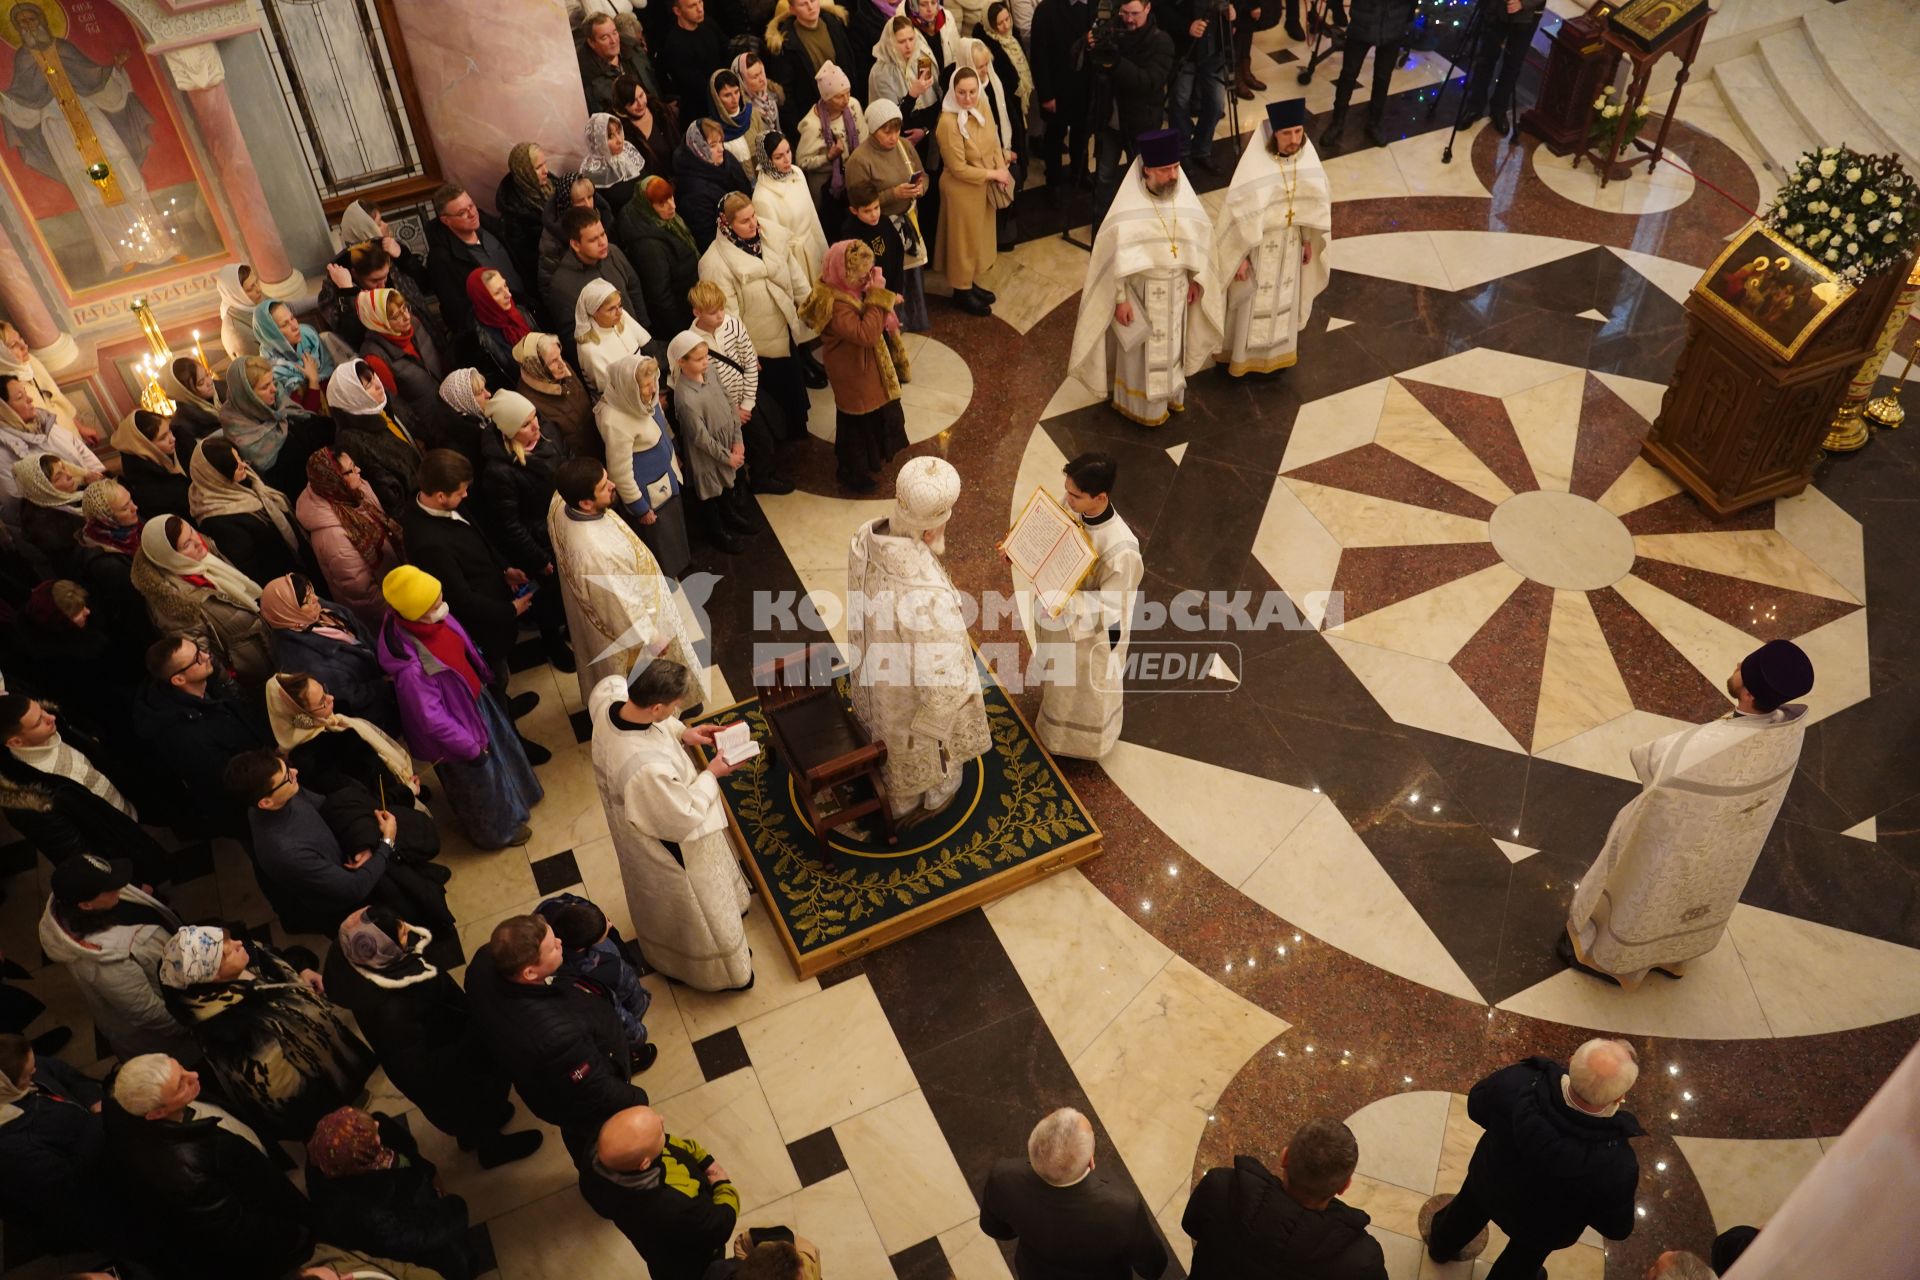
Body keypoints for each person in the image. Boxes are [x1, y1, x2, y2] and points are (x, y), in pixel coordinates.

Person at [1565, 640, 1816, 987]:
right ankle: (1670, 956)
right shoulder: (1786, 732)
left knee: (1650, 891)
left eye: (1744, 666)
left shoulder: (1705, 751)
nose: (1737, 660)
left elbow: (1652, 762)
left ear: (1747, 692)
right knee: (1693, 895)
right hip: (1731, 846)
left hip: (1680, 845)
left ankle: (1610, 961)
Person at [323, 906, 543, 1167]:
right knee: (474, 1106)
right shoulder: (389, 1011)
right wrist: (477, 1033)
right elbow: (420, 1071)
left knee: (481, 1106)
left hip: (450, 1041)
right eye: (401, 932)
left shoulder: (363, 960)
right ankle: (491, 1148)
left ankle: (477, 1131)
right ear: (381, 948)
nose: (408, 931)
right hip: (452, 1074)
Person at [590, 659, 756, 990]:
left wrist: (684, 733)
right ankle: (725, 971)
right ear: (655, 707)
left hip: (658, 804)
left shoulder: (614, 698)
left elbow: (653, 728)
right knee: (699, 900)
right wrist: (713, 773)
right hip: (670, 846)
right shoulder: (644, 770)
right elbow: (682, 816)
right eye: (674, 706)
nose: (677, 708)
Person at [1422, 1040, 1643, 1279]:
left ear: (1570, 1061)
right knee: (1521, 1263)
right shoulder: (1618, 1165)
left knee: (1465, 1212)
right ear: (1620, 1097)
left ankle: (1441, 1245)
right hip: (1543, 1228)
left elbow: (1477, 1106)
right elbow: (1616, 1228)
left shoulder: (1519, 1082)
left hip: (1489, 1182)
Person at [847, 456, 992, 820]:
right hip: (906, 696)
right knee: (923, 746)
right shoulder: (923, 590)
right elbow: (941, 677)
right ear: (931, 530)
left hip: (873, 672)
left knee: (884, 731)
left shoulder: (865, 537)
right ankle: (926, 795)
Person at [377, 565, 546, 848]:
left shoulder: (428, 620)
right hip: (457, 733)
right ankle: (497, 832)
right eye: (435, 603)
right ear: (417, 611)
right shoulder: (411, 669)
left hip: (474, 704)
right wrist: (469, 747)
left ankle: (518, 798)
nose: (443, 605)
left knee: (501, 759)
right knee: (478, 786)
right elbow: (433, 720)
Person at [104, 1052, 313, 1279]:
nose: (193, 1075)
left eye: (181, 1067)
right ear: (157, 1113)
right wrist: (299, 1235)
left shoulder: (126, 1102)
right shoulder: (188, 1174)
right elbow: (239, 1230)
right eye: (180, 1085)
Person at [159, 925, 377, 1141]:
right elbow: (288, 1093)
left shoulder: (244, 958)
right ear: (212, 976)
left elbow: (273, 958)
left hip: (329, 1050)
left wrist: (301, 969)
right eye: (226, 952)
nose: (238, 943)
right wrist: (339, 1111)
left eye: (228, 939)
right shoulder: (232, 1034)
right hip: (326, 1083)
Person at [1069, 129, 1224, 426]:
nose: (1173, 176)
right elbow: (1112, 259)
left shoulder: (1184, 199)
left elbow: (1199, 242)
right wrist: (1120, 299)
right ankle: (1138, 406)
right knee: (1140, 353)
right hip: (1141, 294)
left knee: (1173, 348)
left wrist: (1194, 277)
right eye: (1165, 170)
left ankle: (1171, 396)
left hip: (1177, 290)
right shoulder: (1126, 210)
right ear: (1147, 171)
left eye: (1176, 168)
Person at [464, 914, 652, 1158]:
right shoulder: (557, 1039)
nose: (561, 943)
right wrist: (636, 1098)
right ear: (529, 973)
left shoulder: (484, 961)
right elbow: (596, 1091)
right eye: (553, 946)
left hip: (563, 1061)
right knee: (589, 1136)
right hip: (575, 1090)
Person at [550, 455, 700, 708]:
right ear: (586, 503)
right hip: (634, 626)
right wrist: (651, 637)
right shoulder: (595, 554)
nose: (612, 486)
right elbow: (619, 605)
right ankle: (674, 709)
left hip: (606, 612)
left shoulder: (558, 503)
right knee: (654, 681)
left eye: (607, 478)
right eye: (603, 487)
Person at [1026, 453, 1143, 759]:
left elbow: (1113, 606)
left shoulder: (1122, 549)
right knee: (1059, 682)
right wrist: (1021, 553)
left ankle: (1085, 744)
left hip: (1094, 635)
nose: (1067, 499)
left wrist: (1063, 598)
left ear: (1100, 497)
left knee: (1084, 691)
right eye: (1067, 490)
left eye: (1075, 495)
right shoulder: (1077, 509)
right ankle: (1053, 728)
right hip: (1061, 619)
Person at [36, 855, 198, 1061]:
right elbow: (149, 1013)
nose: (121, 886)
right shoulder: (105, 963)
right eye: (110, 886)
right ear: (86, 905)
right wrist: (195, 1024)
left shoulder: (99, 898)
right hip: (175, 1032)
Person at [1183, 1118, 1386, 1280]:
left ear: (1284, 1157)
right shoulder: (1362, 1260)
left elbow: (1191, 1225)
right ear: (1344, 1187)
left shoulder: (1222, 1187)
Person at [979, 1107, 1169, 1280]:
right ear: (1091, 1162)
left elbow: (994, 1229)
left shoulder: (1003, 1176)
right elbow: (1152, 1266)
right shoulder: (1121, 1207)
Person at [1214, 98, 1331, 377]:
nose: (1294, 140)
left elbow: (1311, 204)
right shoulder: (1254, 168)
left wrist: (1305, 239)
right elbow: (1236, 216)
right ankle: (1241, 357)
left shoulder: (1306, 160)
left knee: (1284, 300)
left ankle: (1278, 354)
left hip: (1289, 246)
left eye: (1298, 132)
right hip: (1259, 248)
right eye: (1286, 133)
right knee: (1251, 305)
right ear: (1272, 134)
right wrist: (1239, 257)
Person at [0, 694, 172, 884]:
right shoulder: (31, 803)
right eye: (39, 721)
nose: (51, 717)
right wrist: (129, 883)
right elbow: (79, 855)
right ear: (16, 742)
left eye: (42, 711)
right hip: (116, 845)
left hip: (124, 813)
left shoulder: (60, 727)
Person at [399, 450, 530, 684]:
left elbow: (478, 535)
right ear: (441, 496)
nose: (466, 495)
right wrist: (510, 610)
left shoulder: (446, 504)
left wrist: (503, 569)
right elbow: (461, 599)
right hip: (483, 622)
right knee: (495, 674)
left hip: (493, 594)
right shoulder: (428, 543)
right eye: (461, 492)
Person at [130, 634, 275, 838]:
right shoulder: (184, 735)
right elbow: (226, 783)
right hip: (251, 805)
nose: (207, 655)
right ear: (179, 679)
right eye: (197, 658)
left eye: (199, 650)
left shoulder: (206, 685)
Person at [305, 1106, 473, 1280]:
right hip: (423, 1246)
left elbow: (410, 1157)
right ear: (361, 1159)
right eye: (372, 1139)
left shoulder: (329, 1155)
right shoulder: (365, 1211)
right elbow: (411, 1237)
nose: (377, 1124)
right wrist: (454, 1208)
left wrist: (428, 1171)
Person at [700, 192, 814, 443]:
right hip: (758, 349)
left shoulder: (770, 236)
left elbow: (795, 276)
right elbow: (726, 317)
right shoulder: (715, 264)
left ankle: (797, 434)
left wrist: (811, 307)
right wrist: (746, 353)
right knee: (773, 405)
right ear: (726, 224)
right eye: (744, 221)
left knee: (793, 391)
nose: (754, 224)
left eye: (753, 216)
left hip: (784, 331)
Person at [581, 1104, 742, 1280]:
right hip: (692, 1265)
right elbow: (720, 1224)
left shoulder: (596, 1162)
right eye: (658, 1132)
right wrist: (722, 1183)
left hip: (659, 1260)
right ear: (644, 1164)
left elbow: (669, 1143)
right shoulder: (673, 1206)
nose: (662, 1118)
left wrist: (703, 1158)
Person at [802, 239, 910, 493]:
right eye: (861, 277)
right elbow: (867, 334)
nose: (866, 280)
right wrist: (879, 296)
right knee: (855, 424)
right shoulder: (836, 305)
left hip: (864, 368)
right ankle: (852, 471)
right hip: (853, 372)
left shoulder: (847, 290)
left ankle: (869, 460)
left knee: (868, 417)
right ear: (843, 274)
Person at [129, 516, 275, 684]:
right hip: (253, 679)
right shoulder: (175, 603)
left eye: (192, 531)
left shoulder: (205, 556)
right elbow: (204, 663)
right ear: (170, 556)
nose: (198, 541)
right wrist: (236, 692)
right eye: (186, 545)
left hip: (268, 651)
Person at [0, 1032, 107, 1252]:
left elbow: (61, 1071)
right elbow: (71, 1180)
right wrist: (97, 1122)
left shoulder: (18, 1065)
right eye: (28, 1076)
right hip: (89, 1204)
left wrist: (94, 1100)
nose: (36, 1072)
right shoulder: (13, 1149)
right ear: (6, 1087)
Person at [688, 279, 797, 494]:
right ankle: (739, 491)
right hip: (721, 412)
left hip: (745, 400)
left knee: (763, 441)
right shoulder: (691, 341)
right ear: (696, 312)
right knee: (730, 452)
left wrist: (746, 404)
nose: (720, 316)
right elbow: (703, 387)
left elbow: (749, 362)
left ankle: (762, 478)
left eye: (721, 308)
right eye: (712, 312)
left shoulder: (733, 324)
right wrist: (731, 413)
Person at [596, 353, 697, 576]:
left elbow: (661, 424)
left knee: (675, 528)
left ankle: (682, 563)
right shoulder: (614, 419)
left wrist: (675, 452)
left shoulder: (643, 399)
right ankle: (671, 574)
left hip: (665, 478)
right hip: (649, 494)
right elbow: (620, 472)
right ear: (629, 386)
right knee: (660, 538)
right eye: (646, 385)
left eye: (654, 382)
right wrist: (639, 507)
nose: (653, 390)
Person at [261, 573, 402, 732]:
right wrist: (386, 685)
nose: (315, 598)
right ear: (288, 612)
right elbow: (349, 698)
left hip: (387, 686)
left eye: (311, 591)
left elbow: (361, 633)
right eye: (306, 601)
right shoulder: (302, 660)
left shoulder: (317, 611)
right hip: (376, 713)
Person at [263, 669, 420, 800]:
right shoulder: (311, 761)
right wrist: (405, 793)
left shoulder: (333, 721)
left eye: (325, 691)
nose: (331, 698)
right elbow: (364, 799)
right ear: (303, 717)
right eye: (322, 701)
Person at [1087, 0, 1174, 232]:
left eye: (1135, 13)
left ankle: (1142, 226)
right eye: (1124, 12)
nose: (1128, 19)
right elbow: (1081, 61)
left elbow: (1148, 82)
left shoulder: (1161, 41)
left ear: (1148, 8)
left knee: (1141, 178)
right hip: (1110, 121)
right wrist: (1086, 44)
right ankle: (1102, 226)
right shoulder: (1111, 30)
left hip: (1142, 125)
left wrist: (1116, 62)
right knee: (1104, 178)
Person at [669, 329, 758, 555]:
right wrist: (727, 456)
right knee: (711, 493)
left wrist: (737, 440)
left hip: (728, 441)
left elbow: (729, 403)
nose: (705, 362)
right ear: (681, 361)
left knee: (727, 487)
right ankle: (716, 532)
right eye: (699, 359)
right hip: (707, 454)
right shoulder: (685, 397)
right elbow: (701, 437)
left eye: (706, 356)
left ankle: (730, 516)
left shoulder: (711, 373)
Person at [847, 99, 933, 330]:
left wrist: (919, 188)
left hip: (908, 220)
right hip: (881, 229)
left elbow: (922, 174)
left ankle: (914, 319)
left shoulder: (904, 145)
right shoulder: (859, 160)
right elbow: (860, 202)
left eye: (896, 130)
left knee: (913, 275)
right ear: (873, 130)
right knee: (891, 278)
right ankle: (891, 326)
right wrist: (893, 193)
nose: (893, 137)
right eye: (887, 132)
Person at [933, 66, 1012, 317]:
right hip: (961, 191)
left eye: (972, 91)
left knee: (977, 239)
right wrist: (993, 174)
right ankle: (961, 292)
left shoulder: (982, 106)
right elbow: (957, 168)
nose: (967, 98)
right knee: (962, 244)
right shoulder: (947, 122)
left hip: (983, 186)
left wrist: (1001, 168)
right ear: (952, 92)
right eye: (961, 93)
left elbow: (993, 139)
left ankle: (969, 283)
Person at [297, 448, 405, 627]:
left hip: (398, 586)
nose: (358, 471)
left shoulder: (354, 491)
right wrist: (402, 615)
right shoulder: (334, 538)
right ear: (334, 479)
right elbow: (365, 597)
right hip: (389, 614)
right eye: (351, 470)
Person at [537, 892, 655, 1053]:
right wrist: (639, 1035)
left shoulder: (547, 910)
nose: (610, 923)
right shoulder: (610, 968)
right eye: (604, 932)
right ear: (583, 947)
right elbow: (622, 1013)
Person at [187, 437, 305, 587]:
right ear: (217, 475)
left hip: (297, 560)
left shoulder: (246, 478)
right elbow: (252, 568)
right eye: (235, 465)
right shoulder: (218, 520)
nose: (243, 465)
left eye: (240, 459)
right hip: (285, 580)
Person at [0, 371, 102, 537]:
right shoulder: (3, 452)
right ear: (3, 410)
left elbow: (80, 448)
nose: (30, 399)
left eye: (26, 393)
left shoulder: (45, 424)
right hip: (60, 528)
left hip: (92, 498)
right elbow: (17, 503)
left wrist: (100, 479)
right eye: (20, 397)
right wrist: (82, 485)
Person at [547, 206, 652, 361]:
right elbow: (574, 337)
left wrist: (644, 329)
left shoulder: (613, 252)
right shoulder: (562, 285)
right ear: (575, 244)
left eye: (602, 234)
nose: (602, 242)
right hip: (610, 361)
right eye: (593, 240)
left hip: (637, 343)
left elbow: (633, 288)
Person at [328, 359, 425, 522]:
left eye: (373, 377)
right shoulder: (352, 442)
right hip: (420, 510)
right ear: (352, 398)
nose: (378, 385)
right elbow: (390, 499)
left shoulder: (383, 405)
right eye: (367, 386)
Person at [219, 354, 328, 498]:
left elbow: (305, 417)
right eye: (265, 387)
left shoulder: (277, 403)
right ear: (248, 395)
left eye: (273, 382)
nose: (274, 390)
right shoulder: (242, 434)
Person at [425, 184, 526, 338]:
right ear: (446, 220)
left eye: (471, 205)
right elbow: (457, 313)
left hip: (527, 310)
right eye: (462, 213)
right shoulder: (441, 259)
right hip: (502, 331)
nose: (472, 214)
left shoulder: (488, 225)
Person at [1319, 0, 1416, 153]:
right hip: (1363, 22)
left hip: (1394, 24)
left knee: (1383, 77)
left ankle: (1374, 123)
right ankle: (1337, 121)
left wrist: (1406, 20)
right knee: (1348, 74)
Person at [619, 176, 705, 339]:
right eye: (662, 203)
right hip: (684, 316)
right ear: (648, 207)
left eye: (671, 197)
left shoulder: (667, 221)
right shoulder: (649, 246)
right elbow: (661, 297)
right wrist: (684, 333)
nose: (671, 206)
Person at [359, 288, 448, 430]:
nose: (406, 316)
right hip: (431, 425)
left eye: (404, 308)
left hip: (449, 404)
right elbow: (397, 406)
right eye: (396, 316)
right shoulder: (374, 358)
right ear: (378, 322)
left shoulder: (414, 323)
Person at [754, 133, 832, 294]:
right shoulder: (762, 197)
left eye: (788, 151)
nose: (787, 159)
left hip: (813, 250)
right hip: (795, 262)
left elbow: (813, 217)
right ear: (766, 160)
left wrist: (826, 254)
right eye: (778, 156)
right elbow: (776, 248)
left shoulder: (796, 173)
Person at [1030, 0, 1094, 188]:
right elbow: (1038, 56)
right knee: (1055, 136)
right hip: (1057, 88)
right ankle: (1054, 182)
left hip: (1085, 85)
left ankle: (1080, 172)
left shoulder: (1094, 5)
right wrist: (1046, 94)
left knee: (1082, 134)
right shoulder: (1046, 10)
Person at [516, 331, 601, 465]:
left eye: (560, 356)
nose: (562, 364)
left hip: (598, 442)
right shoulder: (527, 402)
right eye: (553, 361)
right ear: (536, 367)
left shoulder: (564, 369)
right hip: (580, 463)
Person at [1463, 0, 1547, 136]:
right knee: (1485, 58)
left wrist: (1523, 3)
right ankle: (1474, 106)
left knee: (1513, 64)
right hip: (1496, 9)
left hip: (1527, 16)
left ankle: (1499, 110)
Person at [765, 0, 861, 118]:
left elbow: (850, 65)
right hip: (813, 114)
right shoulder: (784, 43)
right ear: (792, 9)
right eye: (803, 4)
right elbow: (787, 93)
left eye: (812, 0)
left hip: (846, 106)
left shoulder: (835, 23)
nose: (810, 7)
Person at [1166, 0, 1230, 176]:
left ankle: (1202, 148)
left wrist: (1231, 12)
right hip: (1183, 49)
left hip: (1213, 49)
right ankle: (1182, 150)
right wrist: (1187, 26)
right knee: (1180, 101)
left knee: (1217, 104)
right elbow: (1160, 9)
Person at [797, 62, 865, 225]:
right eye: (839, 96)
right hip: (826, 188)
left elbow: (864, 137)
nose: (846, 100)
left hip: (855, 177)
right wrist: (828, 157)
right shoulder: (813, 125)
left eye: (847, 93)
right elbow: (802, 162)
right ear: (826, 98)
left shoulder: (853, 105)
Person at [1, 319, 90, 443]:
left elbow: (56, 396)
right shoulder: (5, 390)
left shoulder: (29, 362)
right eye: (13, 345)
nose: (24, 346)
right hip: (51, 446)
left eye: (20, 338)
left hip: (71, 434)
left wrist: (80, 427)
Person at [677, 118, 756, 255]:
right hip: (728, 251)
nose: (721, 149)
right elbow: (707, 236)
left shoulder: (726, 159)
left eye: (721, 142)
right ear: (698, 147)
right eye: (713, 145)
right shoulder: (693, 191)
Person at [539, 171, 618, 296]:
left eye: (590, 197)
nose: (588, 204)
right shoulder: (552, 238)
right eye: (580, 200)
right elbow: (549, 284)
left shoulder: (602, 214)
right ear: (568, 203)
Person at [869, 13, 943, 145]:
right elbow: (890, 120)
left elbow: (935, 102)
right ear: (890, 42)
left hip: (926, 133)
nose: (909, 46)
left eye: (911, 39)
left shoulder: (922, 59)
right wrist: (912, 95)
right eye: (902, 41)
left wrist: (924, 130)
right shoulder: (881, 72)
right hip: (897, 139)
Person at [579, 10, 669, 117]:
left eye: (614, 32)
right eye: (605, 37)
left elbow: (653, 84)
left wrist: (664, 107)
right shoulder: (588, 80)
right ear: (591, 43)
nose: (613, 40)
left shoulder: (634, 49)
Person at [576, 277, 656, 395]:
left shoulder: (621, 316)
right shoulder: (590, 350)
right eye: (611, 309)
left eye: (620, 305)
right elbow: (611, 392)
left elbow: (647, 345)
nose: (619, 312)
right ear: (593, 313)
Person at [12, 453, 86, 575]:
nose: (69, 475)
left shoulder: (64, 499)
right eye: (58, 477)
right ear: (43, 488)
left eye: (64, 468)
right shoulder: (48, 525)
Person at [496, 142, 556, 292]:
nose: (546, 171)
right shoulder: (514, 214)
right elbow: (529, 261)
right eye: (538, 167)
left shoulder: (554, 185)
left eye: (545, 164)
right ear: (524, 172)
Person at [111, 407, 190, 518]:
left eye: (169, 431)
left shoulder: (181, 447)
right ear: (144, 446)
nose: (172, 438)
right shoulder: (149, 490)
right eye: (163, 438)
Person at [468, 268, 537, 385]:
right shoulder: (480, 343)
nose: (508, 294)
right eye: (497, 292)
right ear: (484, 299)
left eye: (505, 286)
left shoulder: (520, 312)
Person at [663, 0, 733, 107]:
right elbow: (695, 86)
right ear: (677, 11)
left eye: (700, 2)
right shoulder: (675, 45)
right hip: (703, 105)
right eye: (692, 6)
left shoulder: (708, 23)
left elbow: (727, 49)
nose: (700, 9)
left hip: (726, 90)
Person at [613, 73, 681, 180]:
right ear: (623, 106)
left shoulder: (661, 110)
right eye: (632, 102)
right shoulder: (623, 133)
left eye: (641, 95)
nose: (640, 103)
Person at [582, 110, 650, 214]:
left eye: (619, 132)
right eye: (610, 136)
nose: (619, 140)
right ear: (598, 141)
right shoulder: (593, 171)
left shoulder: (628, 151)